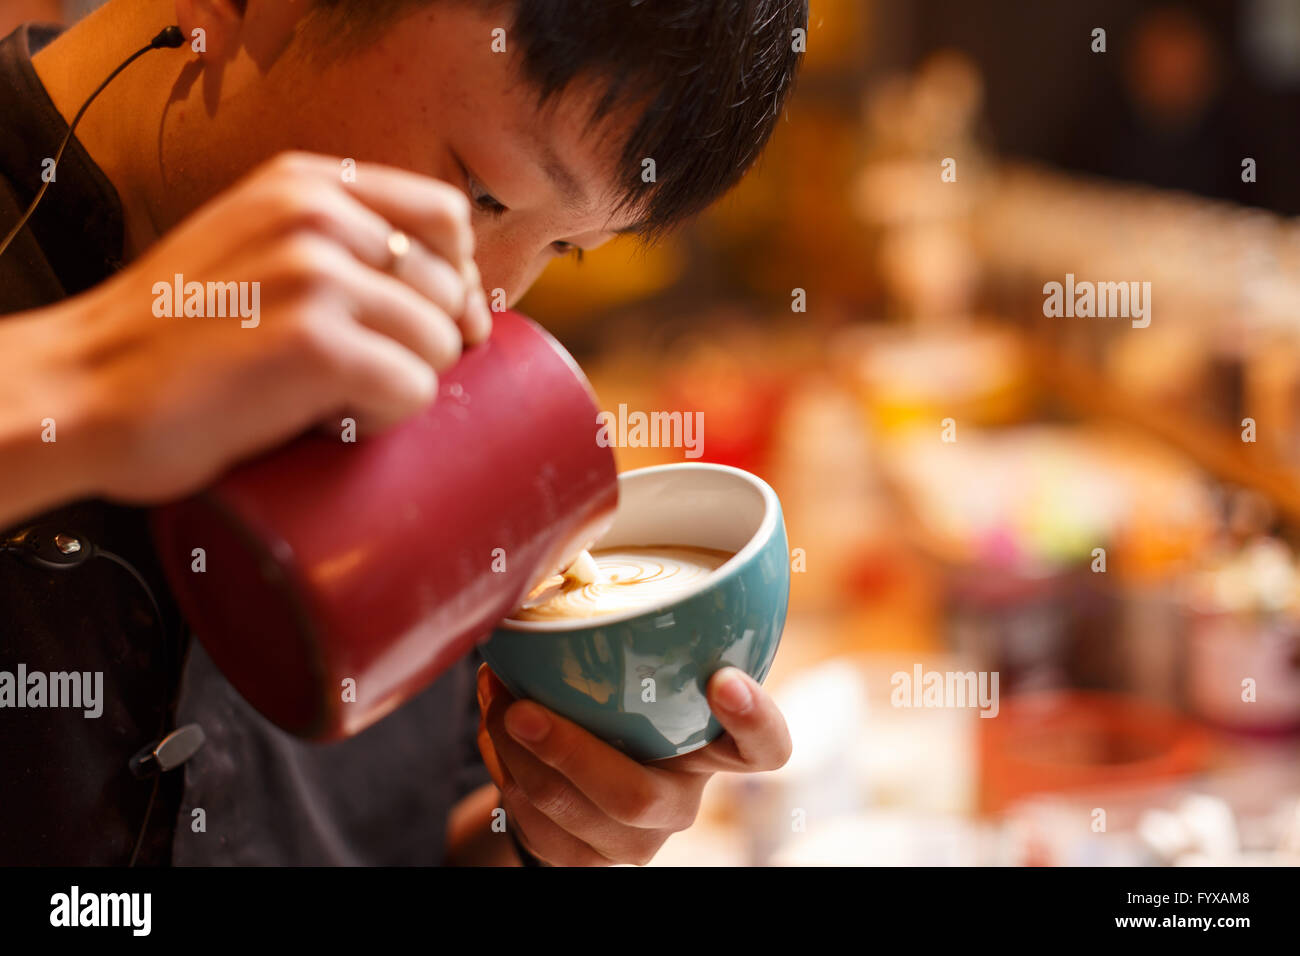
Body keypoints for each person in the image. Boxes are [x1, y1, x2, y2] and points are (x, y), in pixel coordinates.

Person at [0, 0, 803, 865]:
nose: (485, 310)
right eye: (484, 192)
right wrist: (95, 379)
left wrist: (547, 832)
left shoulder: (435, 427)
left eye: (564, 248)